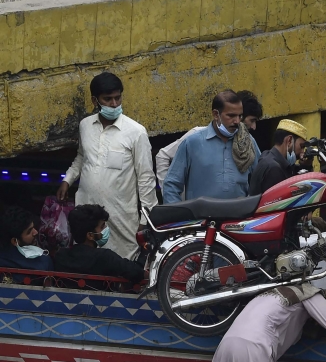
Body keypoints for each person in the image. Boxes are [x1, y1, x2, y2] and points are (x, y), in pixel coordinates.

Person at [57, 71, 157, 260]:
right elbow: (81, 156)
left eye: (118, 98)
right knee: (87, 262)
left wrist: (145, 220)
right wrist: (67, 180)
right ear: (95, 101)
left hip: (120, 217)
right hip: (87, 213)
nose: (114, 104)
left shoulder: (136, 132)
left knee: (122, 263)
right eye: (108, 99)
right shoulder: (85, 125)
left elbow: (146, 178)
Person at [162, 89, 260, 204]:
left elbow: (261, 178)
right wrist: (178, 218)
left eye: (240, 116)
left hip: (239, 218)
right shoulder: (193, 143)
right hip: (201, 219)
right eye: (231, 116)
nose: (237, 121)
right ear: (216, 115)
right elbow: (171, 184)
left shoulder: (248, 142)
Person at [54, 204, 144, 284]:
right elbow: (136, 272)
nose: (106, 228)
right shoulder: (104, 257)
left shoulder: (61, 256)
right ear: (90, 235)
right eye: (102, 226)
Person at [248, 119, 308, 196]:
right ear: (289, 141)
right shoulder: (274, 169)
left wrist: (306, 165)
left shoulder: (268, 157)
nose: (302, 152)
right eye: (301, 146)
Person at [0, 206, 53, 271]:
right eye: (29, 232)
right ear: (14, 241)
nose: (35, 232)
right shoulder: (43, 262)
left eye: (33, 227)